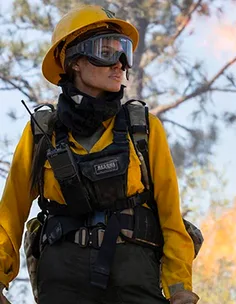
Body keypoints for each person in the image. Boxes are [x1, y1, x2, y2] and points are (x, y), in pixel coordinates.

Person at [0, 5, 199, 304]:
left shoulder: (143, 128)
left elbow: (171, 217)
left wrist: (180, 286)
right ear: (75, 61)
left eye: (124, 53)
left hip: (135, 277)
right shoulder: (42, 132)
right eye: (106, 52)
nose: (120, 64)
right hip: (61, 280)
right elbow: (9, 216)